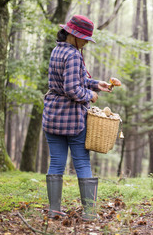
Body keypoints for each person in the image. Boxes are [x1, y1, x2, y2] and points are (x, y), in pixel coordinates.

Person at [42, 15, 110, 220]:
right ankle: (89, 213)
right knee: (81, 162)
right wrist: (91, 95)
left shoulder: (58, 50)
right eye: (84, 38)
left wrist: (96, 83)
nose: (86, 43)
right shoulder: (73, 55)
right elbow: (72, 88)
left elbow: (72, 79)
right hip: (72, 119)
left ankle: (54, 210)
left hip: (53, 115)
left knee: (56, 163)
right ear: (73, 35)